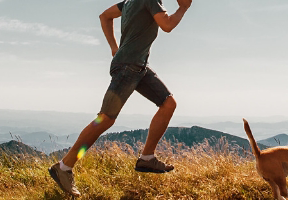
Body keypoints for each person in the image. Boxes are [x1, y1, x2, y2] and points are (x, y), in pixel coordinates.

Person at [48, 0, 192, 197]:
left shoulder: (129, 2)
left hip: (137, 67)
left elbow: (104, 16)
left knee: (168, 103)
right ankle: (64, 167)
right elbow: (166, 25)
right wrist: (183, 7)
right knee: (105, 118)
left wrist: (114, 48)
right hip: (128, 68)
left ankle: (147, 158)